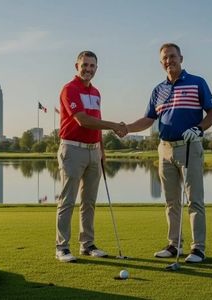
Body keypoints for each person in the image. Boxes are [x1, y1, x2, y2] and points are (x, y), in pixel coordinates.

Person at [124, 43, 212, 263]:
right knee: (171, 201)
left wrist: (199, 128)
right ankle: (174, 245)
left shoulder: (197, 82)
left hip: (189, 147)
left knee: (194, 199)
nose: (169, 61)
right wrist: (126, 128)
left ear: (181, 58)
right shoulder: (158, 90)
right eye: (165, 58)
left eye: (173, 56)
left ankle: (198, 249)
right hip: (164, 148)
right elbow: (148, 119)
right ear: (161, 62)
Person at [55, 50, 127, 262]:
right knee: (67, 200)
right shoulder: (69, 89)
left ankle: (87, 244)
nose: (88, 69)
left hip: (94, 150)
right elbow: (83, 120)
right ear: (76, 66)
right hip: (72, 149)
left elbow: (96, 124)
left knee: (89, 201)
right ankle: (62, 247)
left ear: (96, 68)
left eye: (92, 66)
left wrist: (102, 151)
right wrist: (115, 126)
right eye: (84, 65)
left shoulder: (95, 92)